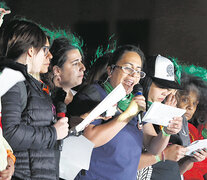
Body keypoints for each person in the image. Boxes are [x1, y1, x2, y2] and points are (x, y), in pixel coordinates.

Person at [68, 45, 182, 180]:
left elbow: (153, 147)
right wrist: (127, 115)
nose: (133, 75)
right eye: (128, 68)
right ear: (110, 70)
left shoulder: (133, 102)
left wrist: (166, 132)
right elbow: (90, 139)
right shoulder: (94, 94)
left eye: (138, 71)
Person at [0, 19, 69, 180]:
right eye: (45, 49)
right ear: (31, 51)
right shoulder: (13, 81)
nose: (50, 55)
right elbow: (10, 133)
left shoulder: (28, 83)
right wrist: (53, 132)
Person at [137, 55, 207, 180]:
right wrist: (164, 154)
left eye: (170, 88)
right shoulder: (134, 109)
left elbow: (172, 167)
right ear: (145, 82)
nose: (166, 92)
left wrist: (189, 160)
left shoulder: (163, 113)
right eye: (161, 86)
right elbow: (123, 163)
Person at [41, 37, 86, 130]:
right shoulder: (43, 99)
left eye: (81, 61)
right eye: (75, 63)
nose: (83, 67)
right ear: (57, 70)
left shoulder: (80, 98)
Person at [175, 73, 207, 180]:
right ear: (174, 96)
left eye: (194, 103)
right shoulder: (165, 126)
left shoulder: (192, 129)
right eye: (185, 100)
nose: (190, 107)